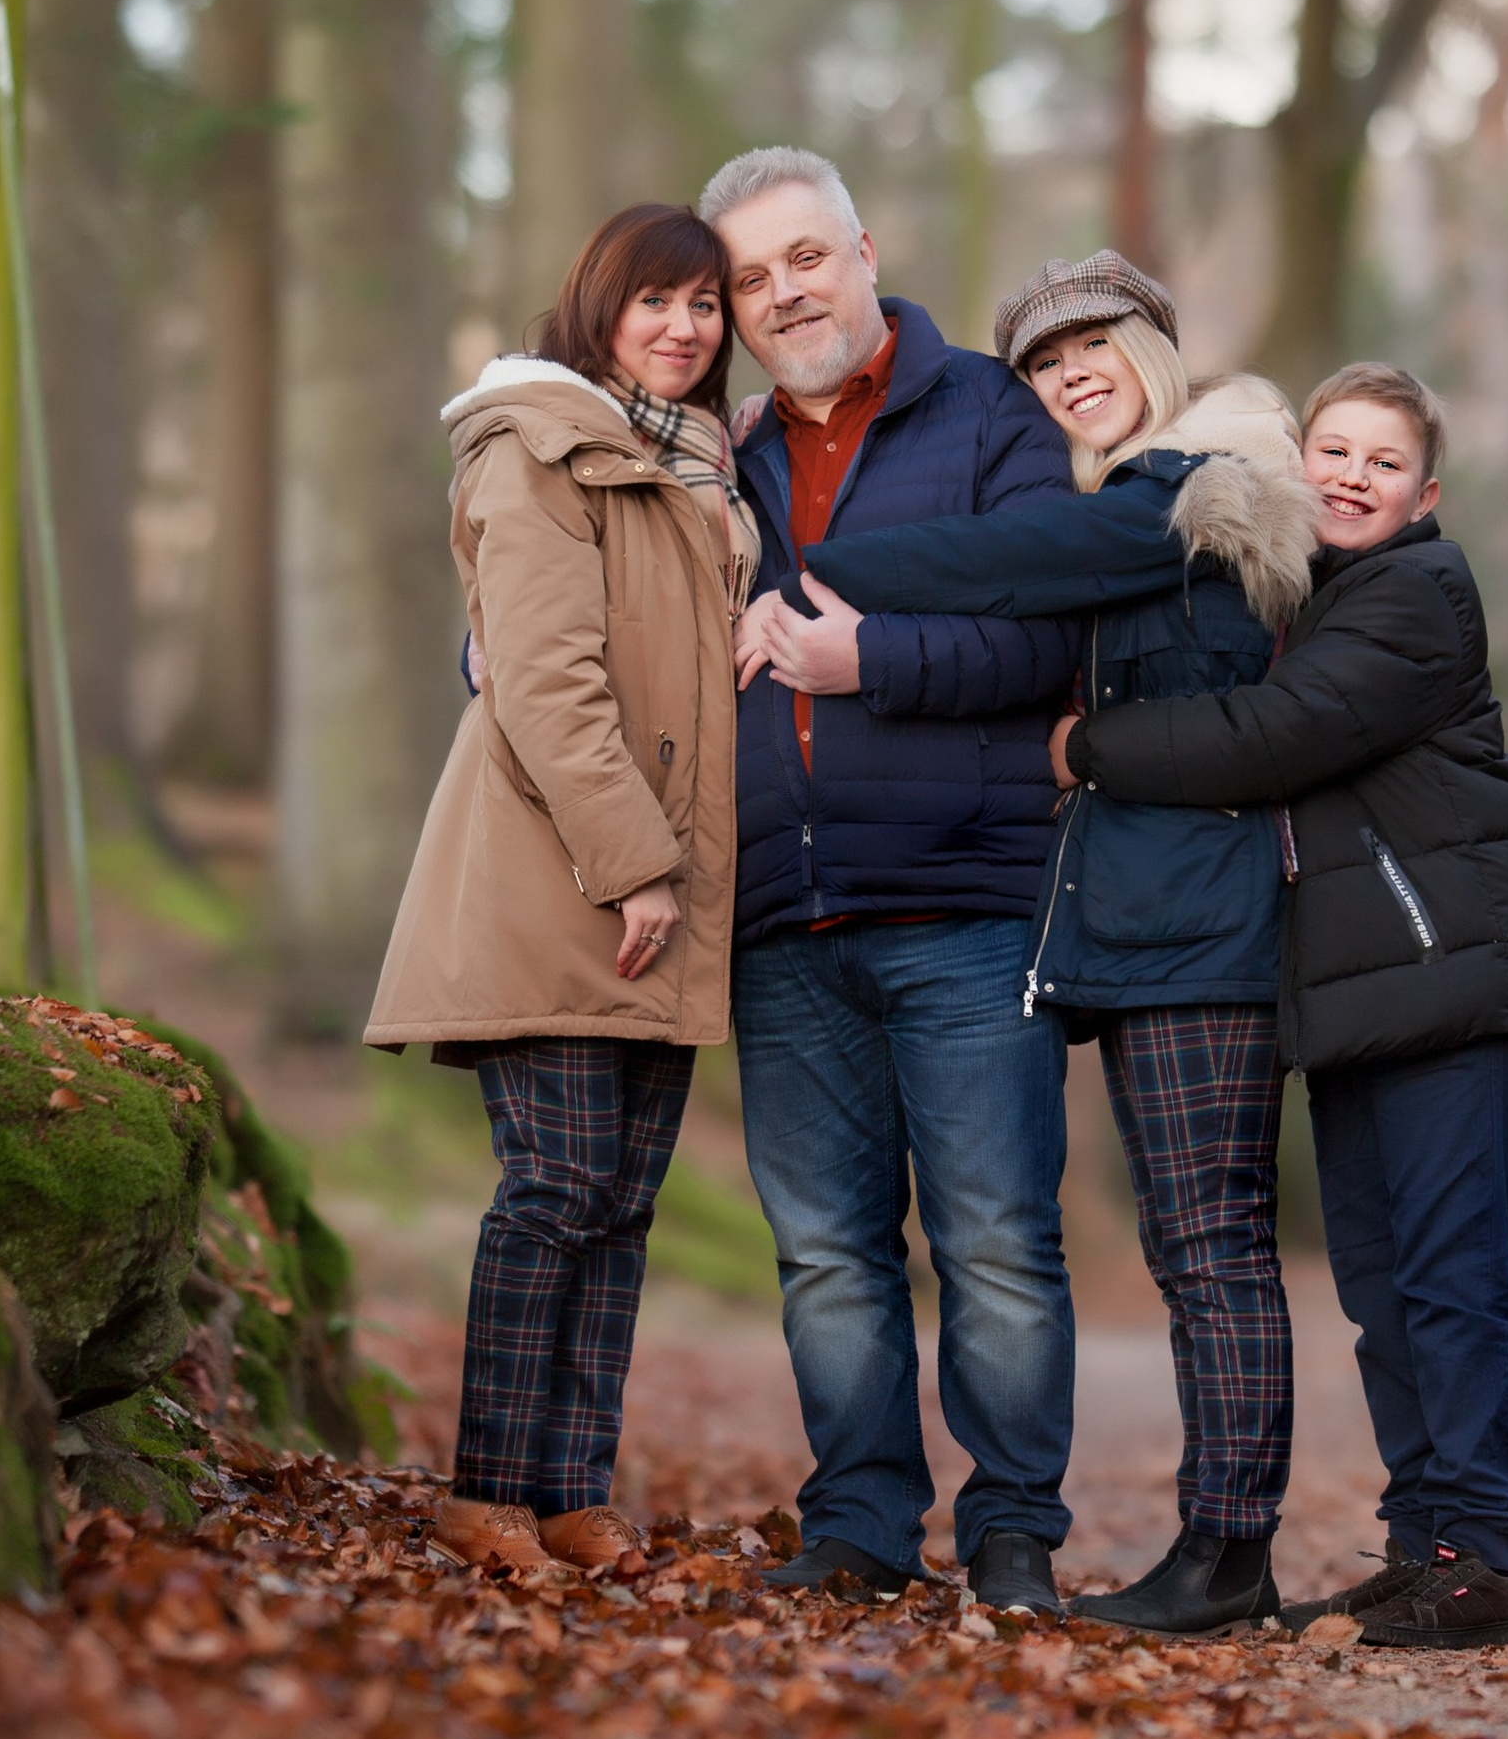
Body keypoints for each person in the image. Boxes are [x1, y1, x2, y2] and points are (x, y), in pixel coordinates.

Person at [810, 251, 1321, 1630]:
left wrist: (805, 561)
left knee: (1210, 1246)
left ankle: (1229, 1558)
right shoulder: (1130, 501)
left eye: (1094, 341)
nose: (1068, 373)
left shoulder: (1192, 484)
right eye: (1040, 362)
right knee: (1196, 1242)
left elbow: (1005, 560)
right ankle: (1224, 1550)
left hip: (1209, 921)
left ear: (1155, 346)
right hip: (1150, 924)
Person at [1060, 365, 1508, 1650]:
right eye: (1331, 450)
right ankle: (1424, 1548)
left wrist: (1084, 751)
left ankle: (1477, 1560)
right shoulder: (1315, 596)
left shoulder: (1415, 596)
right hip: (1363, 997)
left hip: (1455, 983)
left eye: (1381, 461)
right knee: (1385, 1290)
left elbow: (1275, 735)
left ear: (1425, 494)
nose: (1351, 475)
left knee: (1451, 1285)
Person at [701, 144, 1081, 1610]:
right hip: (783, 913)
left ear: (863, 248)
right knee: (827, 1254)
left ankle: (1013, 1535)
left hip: (968, 904)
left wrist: (877, 659)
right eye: (750, 278)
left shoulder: (988, 415)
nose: (784, 291)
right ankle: (859, 1525)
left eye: (805, 256)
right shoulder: (714, 455)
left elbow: (1048, 637)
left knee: (993, 1236)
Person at [366, 204, 752, 1565]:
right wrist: (637, 863)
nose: (683, 328)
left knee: (623, 1203)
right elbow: (546, 682)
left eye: (705, 306)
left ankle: (572, 1489)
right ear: (599, 307)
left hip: (663, 894)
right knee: (555, 1186)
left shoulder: (700, 476)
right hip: (563, 876)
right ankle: (487, 1492)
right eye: (656, 301)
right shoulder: (537, 448)